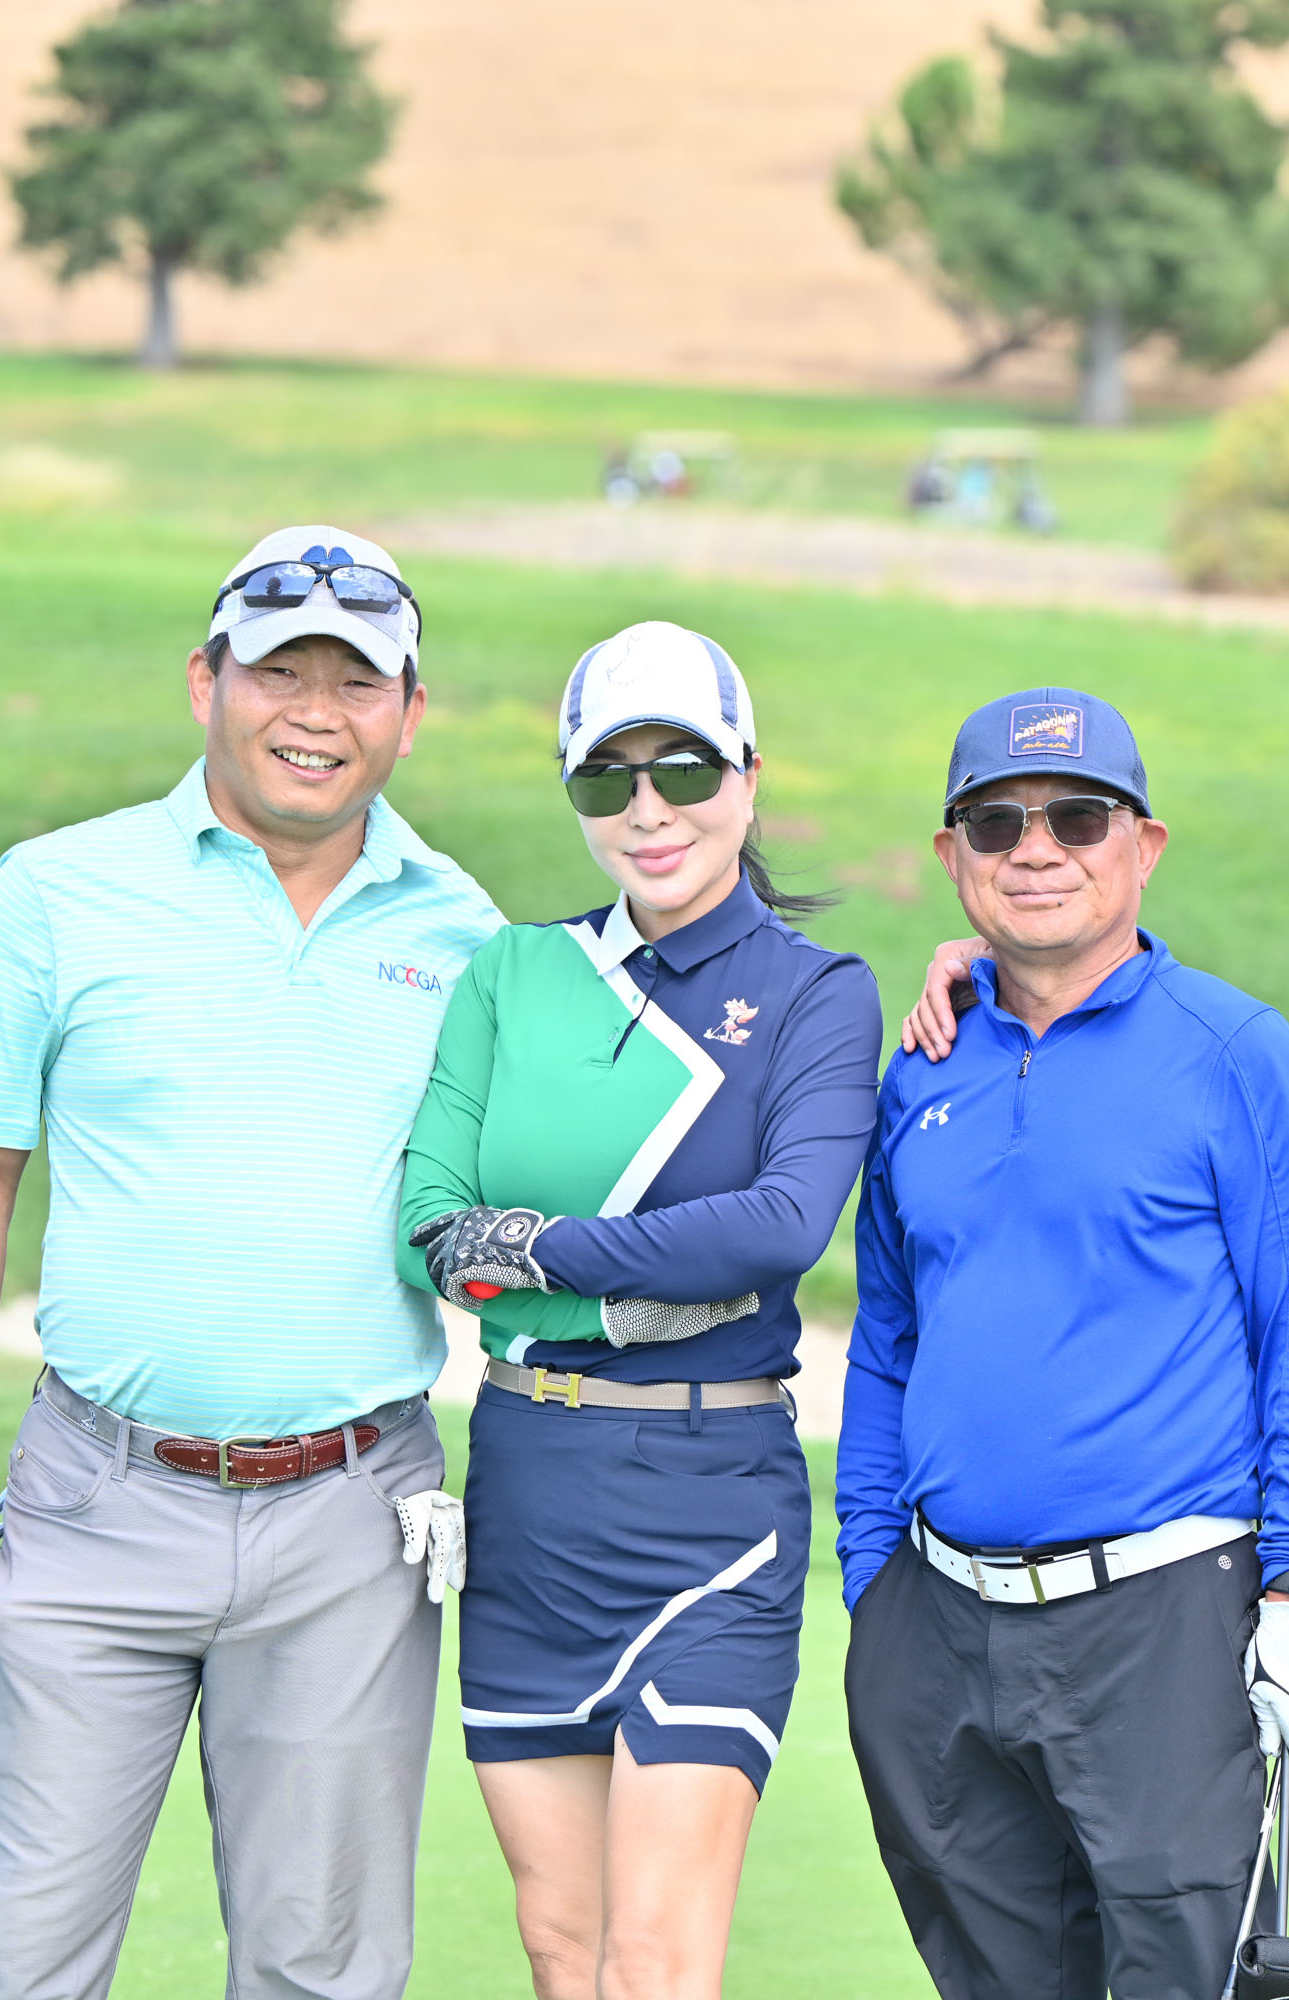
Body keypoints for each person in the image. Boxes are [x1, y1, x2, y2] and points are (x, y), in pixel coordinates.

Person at [0, 526, 502, 2000]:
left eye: (356, 682)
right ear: (203, 682)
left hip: (355, 1514)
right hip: (96, 1497)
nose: (314, 713)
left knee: (322, 1969)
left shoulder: (467, 934)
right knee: (25, 1957)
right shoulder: (54, 891)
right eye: (278, 671)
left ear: (410, 713)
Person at [839, 687, 1289, 2000]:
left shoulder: (1236, 1053)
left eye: (1078, 818)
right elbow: (889, 1336)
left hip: (1165, 1619)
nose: (1037, 849)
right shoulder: (925, 1066)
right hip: (940, 1621)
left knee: (1182, 1974)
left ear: (1144, 846)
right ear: (952, 855)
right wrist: (871, 1585)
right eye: (996, 823)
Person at [396, 622, 881, 2000]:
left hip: (709, 1507)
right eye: (608, 779)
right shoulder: (513, 972)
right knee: (562, 1950)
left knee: (654, 1962)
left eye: (686, 769)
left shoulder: (817, 992)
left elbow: (780, 1228)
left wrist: (539, 1254)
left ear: (748, 776)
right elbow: (426, 1225)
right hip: (528, 1496)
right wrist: (639, 1279)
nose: (650, 809)